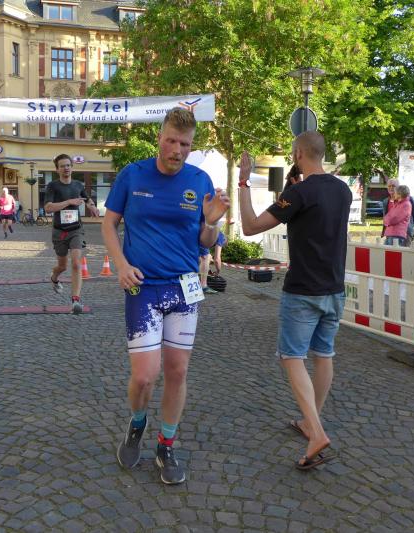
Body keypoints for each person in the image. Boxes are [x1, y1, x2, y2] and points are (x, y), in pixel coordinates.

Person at [101, 107, 229, 485]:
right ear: (160, 137)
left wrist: (212, 222)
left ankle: (166, 443)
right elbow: (109, 223)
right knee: (144, 376)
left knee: (177, 370)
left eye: (185, 144)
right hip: (142, 287)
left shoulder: (199, 180)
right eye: (171, 141)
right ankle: (138, 422)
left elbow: (205, 240)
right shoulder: (133, 174)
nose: (177, 150)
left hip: (184, 288)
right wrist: (120, 264)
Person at [237, 131, 350, 471]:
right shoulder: (342, 190)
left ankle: (316, 431)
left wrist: (243, 183)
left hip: (303, 290)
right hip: (334, 288)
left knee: (292, 357)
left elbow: (250, 226)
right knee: (323, 354)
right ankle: (310, 422)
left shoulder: (298, 193)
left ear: (299, 153)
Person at [44, 153, 100, 314]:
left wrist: (92, 207)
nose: (66, 168)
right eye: (62, 166)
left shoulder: (77, 185)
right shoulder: (53, 186)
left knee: (76, 263)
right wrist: (69, 202)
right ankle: (54, 278)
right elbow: (48, 208)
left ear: (72, 167)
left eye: (68, 165)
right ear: (57, 169)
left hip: (76, 230)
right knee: (62, 266)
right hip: (59, 232)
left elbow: (87, 199)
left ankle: (75, 300)